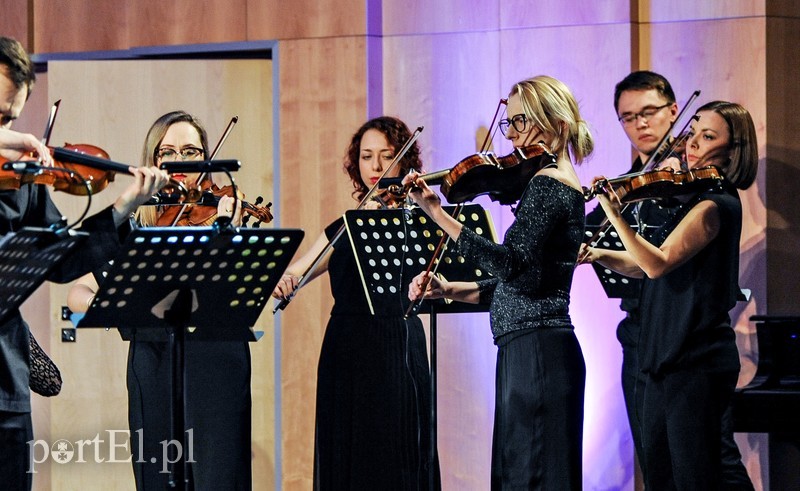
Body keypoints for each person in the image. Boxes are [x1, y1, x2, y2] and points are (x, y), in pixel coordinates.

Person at [0, 36, 169, 491]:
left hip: (5, 379)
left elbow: (62, 262)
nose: (11, 131)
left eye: (12, 118)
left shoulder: (22, 178)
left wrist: (123, 207)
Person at [406, 75, 591, 489]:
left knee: (529, 478)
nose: (512, 137)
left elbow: (508, 263)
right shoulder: (549, 185)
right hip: (530, 349)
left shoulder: (549, 186)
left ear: (558, 126)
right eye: (510, 124)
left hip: (537, 353)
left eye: (522, 122)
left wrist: (438, 214)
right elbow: (521, 281)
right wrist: (448, 289)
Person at [586, 70, 753, 489]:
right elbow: (642, 265)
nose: (693, 143)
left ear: (733, 150)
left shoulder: (714, 203)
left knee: (700, 472)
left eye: (707, 137)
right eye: (693, 133)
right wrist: (596, 252)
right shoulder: (683, 193)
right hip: (658, 343)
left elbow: (657, 263)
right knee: (661, 467)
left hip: (692, 350)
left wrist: (615, 211)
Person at [67, 111, 250, 490]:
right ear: (154, 161)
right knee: (159, 478)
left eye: (190, 150)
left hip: (216, 362)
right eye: (167, 151)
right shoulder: (137, 226)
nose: (179, 160)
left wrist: (227, 233)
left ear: (207, 158)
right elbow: (77, 293)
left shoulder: (224, 212)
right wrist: (122, 302)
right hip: (153, 364)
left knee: (218, 478)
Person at [271, 116, 439, 490]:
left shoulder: (421, 221)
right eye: (366, 157)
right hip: (347, 351)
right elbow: (297, 271)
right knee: (351, 455)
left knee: (399, 452)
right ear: (355, 163)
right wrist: (281, 280)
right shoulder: (345, 226)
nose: (376, 167)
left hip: (400, 345)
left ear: (405, 162)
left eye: (387, 156)